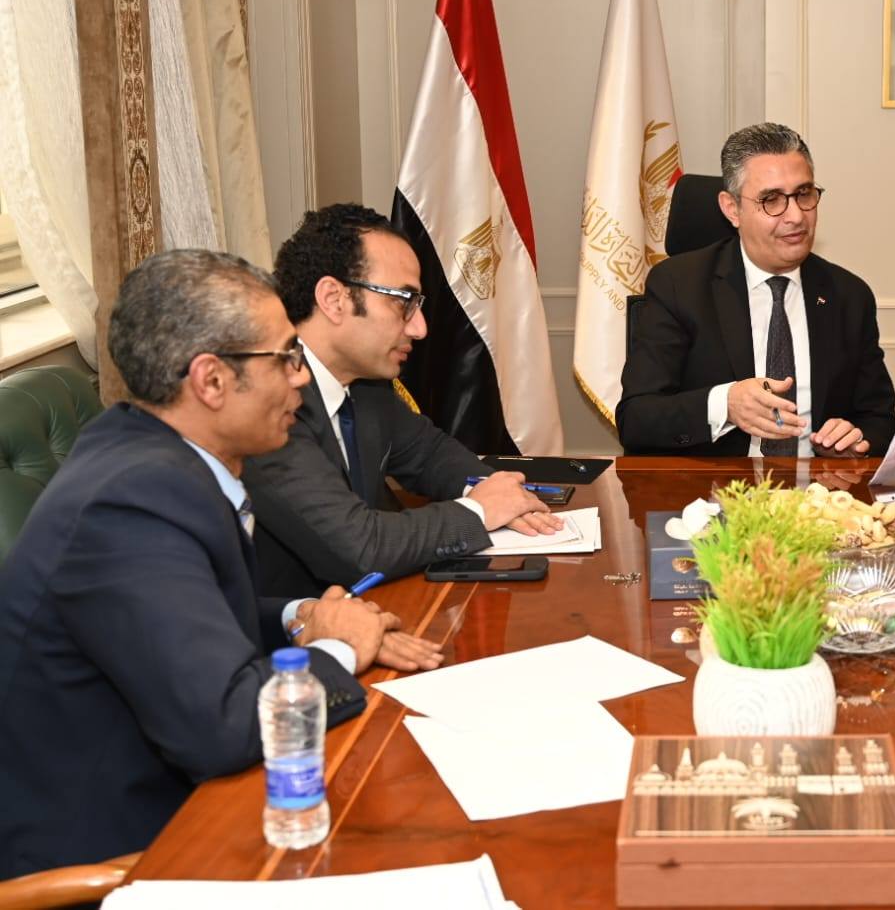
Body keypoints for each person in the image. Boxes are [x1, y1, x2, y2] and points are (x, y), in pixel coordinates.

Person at [0, 250, 443, 880]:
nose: (300, 378)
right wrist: (343, 650)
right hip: (123, 852)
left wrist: (302, 615)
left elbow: (188, 618)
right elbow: (224, 728)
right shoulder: (131, 504)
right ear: (210, 381)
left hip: (189, 800)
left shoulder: (151, 452)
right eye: (285, 358)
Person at [244, 205, 559, 597]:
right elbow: (359, 548)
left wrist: (497, 491)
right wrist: (479, 511)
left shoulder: (367, 385)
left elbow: (430, 454)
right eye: (403, 301)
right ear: (333, 299)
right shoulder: (267, 401)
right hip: (294, 626)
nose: (420, 328)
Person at [617, 122, 895, 457]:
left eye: (804, 194)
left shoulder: (848, 295)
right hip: (715, 486)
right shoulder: (679, 285)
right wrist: (725, 404)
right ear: (732, 209)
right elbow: (636, 419)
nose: (796, 216)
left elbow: (881, 421)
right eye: (771, 200)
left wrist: (857, 438)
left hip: (816, 487)